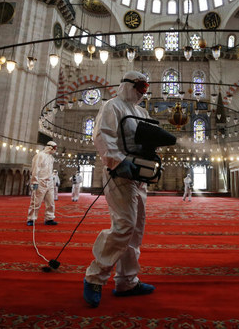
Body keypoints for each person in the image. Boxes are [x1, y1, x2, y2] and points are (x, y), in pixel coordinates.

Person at [83, 71, 155, 308]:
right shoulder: (112, 106)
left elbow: (145, 140)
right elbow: (103, 136)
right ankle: (95, 276)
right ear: (128, 85)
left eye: (145, 88)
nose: (142, 92)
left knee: (135, 230)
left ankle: (127, 281)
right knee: (124, 225)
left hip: (138, 175)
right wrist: (118, 162)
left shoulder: (142, 112)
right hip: (119, 173)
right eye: (140, 87)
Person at [26, 141, 58, 226]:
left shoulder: (51, 158)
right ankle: (31, 219)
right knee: (36, 202)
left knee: (51, 202)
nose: (55, 150)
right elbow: (35, 169)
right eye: (55, 148)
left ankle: (49, 218)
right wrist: (34, 181)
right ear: (50, 147)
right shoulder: (40, 155)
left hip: (49, 182)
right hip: (40, 182)